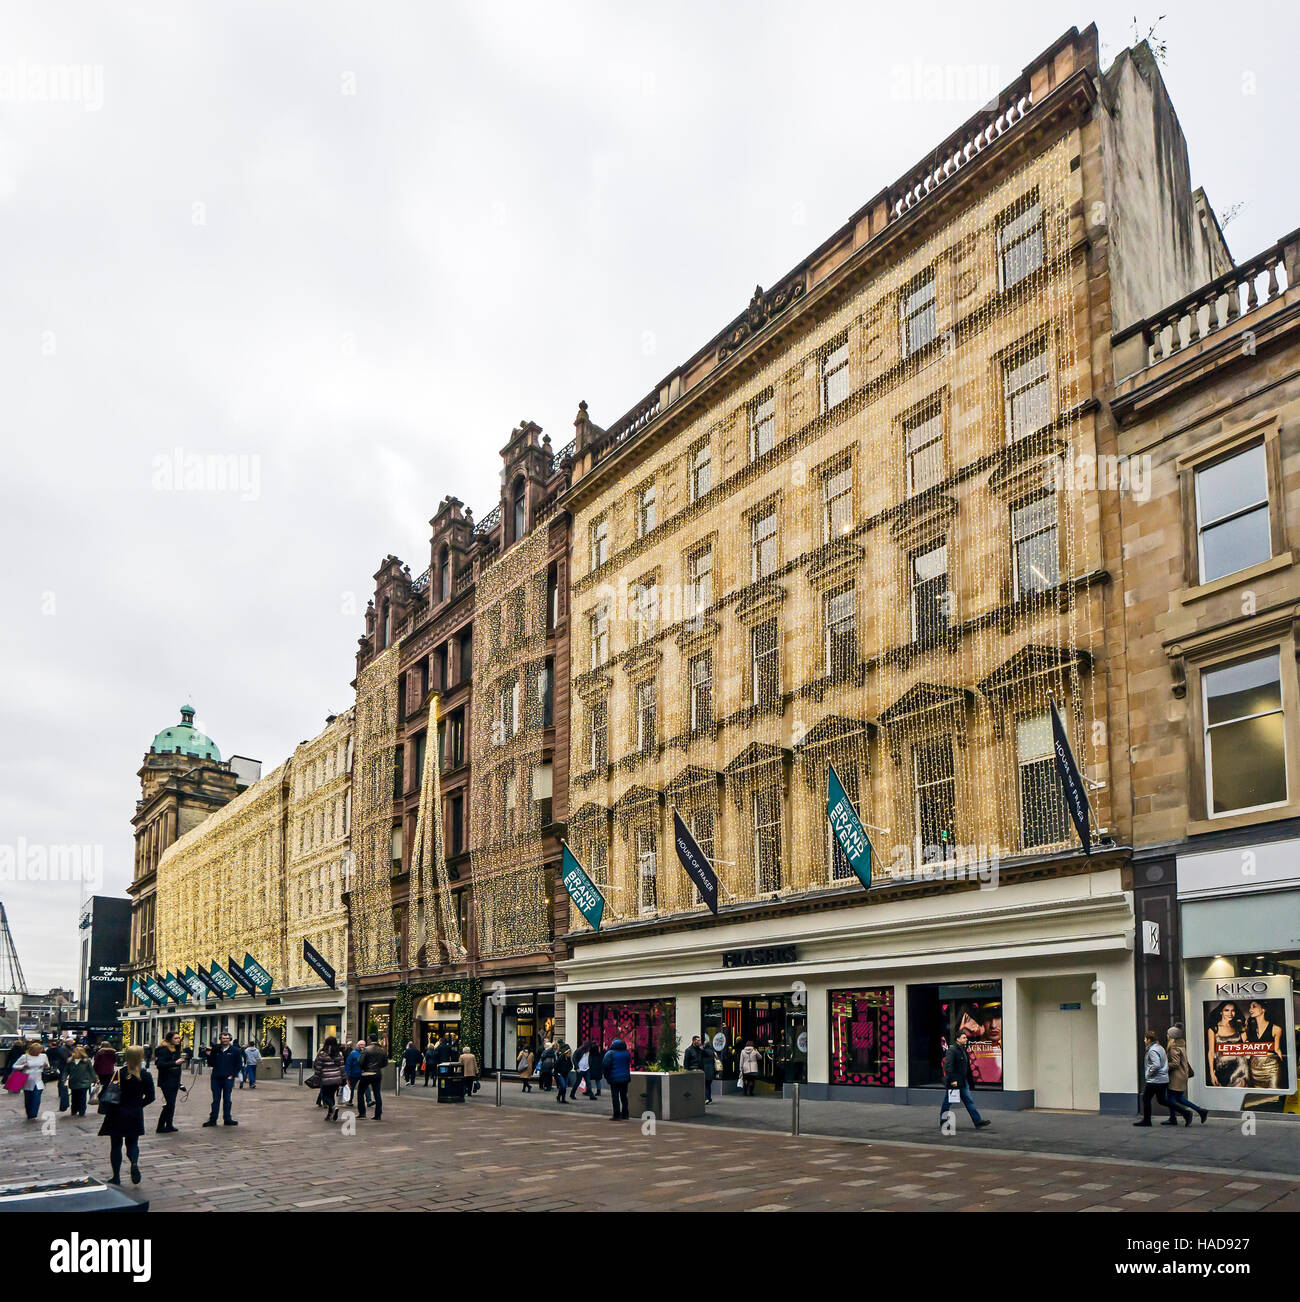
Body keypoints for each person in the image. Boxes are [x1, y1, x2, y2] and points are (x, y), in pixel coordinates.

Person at [99, 1044, 155, 1186]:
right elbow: (151, 1097)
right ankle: (134, 1162)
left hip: (116, 1113)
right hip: (134, 1113)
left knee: (116, 1145)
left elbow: (104, 1093)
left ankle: (116, 1176)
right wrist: (138, 1105)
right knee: (132, 1143)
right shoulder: (145, 1075)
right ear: (141, 1057)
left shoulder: (118, 1074)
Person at [1135, 1028, 1190, 1126]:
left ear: (1148, 1040)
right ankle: (1185, 1113)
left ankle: (1147, 1121)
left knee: (1146, 1098)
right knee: (1162, 1100)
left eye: (1145, 1039)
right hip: (1163, 1079)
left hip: (1155, 1080)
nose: (1144, 1040)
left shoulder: (1152, 1050)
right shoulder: (1160, 1047)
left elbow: (1156, 1065)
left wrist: (1149, 1073)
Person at [940, 1031, 991, 1131]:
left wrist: (970, 1080)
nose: (966, 1039)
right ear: (958, 1039)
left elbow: (966, 1068)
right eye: (964, 1037)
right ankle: (943, 1122)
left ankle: (978, 1121)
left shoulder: (963, 1050)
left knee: (969, 1101)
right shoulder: (952, 1050)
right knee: (947, 1102)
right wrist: (953, 1080)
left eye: (966, 1037)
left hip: (963, 1082)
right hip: (954, 1082)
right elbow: (948, 1066)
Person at [1165, 1024, 1207, 1125]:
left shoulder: (1174, 1047)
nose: (1166, 1035)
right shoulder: (1181, 1044)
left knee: (1170, 1099)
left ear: (1172, 1036)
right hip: (1182, 1074)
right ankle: (1199, 1111)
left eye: (1168, 1034)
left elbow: (1175, 1063)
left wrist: (1164, 1066)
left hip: (1176, 1076)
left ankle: (1180, 1116)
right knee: (1178, 1098)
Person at [202, 1032, 244, 1127]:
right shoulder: (216, 1049)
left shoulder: (235, 1050)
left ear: (230, 1039)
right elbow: (211, 1063)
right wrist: (208, 1055)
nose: (225, 1040)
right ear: (220, 1039)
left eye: (227, 1038)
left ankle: (227, 1118)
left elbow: (238, 1065)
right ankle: (213, 1119)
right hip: (216, 1077)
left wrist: (232, 1075)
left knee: (227, 1099)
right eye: (223, 1038)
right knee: (216, 1100)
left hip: (228, 1078)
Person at [1206, 1002, 1249, 1088]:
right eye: (1227, 1010)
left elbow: (1247, 1046)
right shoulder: (1214, 1028)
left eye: (1233, 1010)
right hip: (1222, 1069)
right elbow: (1211, 1052)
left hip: (1240, 1068)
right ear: (1221, 1012)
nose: (1230, 1013)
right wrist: (1211, 1073)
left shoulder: (1238, 1026)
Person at [1245, 1001, 1285, 1089]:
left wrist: (1284, 1068)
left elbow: (1277, 1049)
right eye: (1250, 1007)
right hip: (1254, 1066)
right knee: (1257, 1097)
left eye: (1254, 1006)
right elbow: (1245, 1048)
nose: (1250, 1009)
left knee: (1274, 1095)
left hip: (1271, 1066)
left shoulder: (1276, 1029)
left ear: (1263, 1009)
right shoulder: (1249, 1028)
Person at [154, 1031, 185, 1134]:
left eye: (179, 1038)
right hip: (166, 1081)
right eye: (176, 1038)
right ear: (170, 1039)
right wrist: (175, 1063)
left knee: (172, 1104)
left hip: (174, 1080)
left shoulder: (176, 1049)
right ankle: (160, 1126)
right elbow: (160, 1064)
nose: (178, 1040)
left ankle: (169, 1124)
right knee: (169, 1104)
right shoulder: (164, 1049)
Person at [11, 1040, 49, 1121]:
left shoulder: (43, 1056)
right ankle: (29, 1113)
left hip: (38, 1079)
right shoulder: (25, 1057)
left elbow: (47, 1065)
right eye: (37, 1051)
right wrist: (23, 1066)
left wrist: (45, 1065)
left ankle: (33, 1114)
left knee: (36, 1097)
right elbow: (14, 1066)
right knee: (28, 1098)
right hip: (27, 1080)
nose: (39, 1053)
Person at [313, 1036, 347, 1121]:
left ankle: (333, 1107)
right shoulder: (338, 1054)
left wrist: (316, 1079)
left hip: (326, 1079)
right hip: (337, 1079)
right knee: (331, 1096)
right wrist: (344, 1079)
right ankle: (330, 1114)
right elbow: (342, 1067)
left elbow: (318, 1067)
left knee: (324, 1096)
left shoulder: (322, 1054)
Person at [358, 1038, 388, 1120]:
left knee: (360, 1092)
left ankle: (362, 1113)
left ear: (370, 1040)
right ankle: (378, 1114)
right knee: (377, 1093)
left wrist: (364, 1068)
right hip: (377, 1074)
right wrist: (378, 1067)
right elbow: (385, 1063)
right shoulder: (382, 1050)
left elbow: (360, 1062)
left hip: (367, 1073)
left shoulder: (366, 1049)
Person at [603, 1038, 631, 1120]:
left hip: (614, 1078)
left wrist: (607, 1076)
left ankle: (616, 1115)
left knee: (615, 1097)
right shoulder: (626, 1053)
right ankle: (625, 1114)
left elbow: (605, 1065)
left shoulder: (610, 1053)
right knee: (624, 1096)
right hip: (625, 1078)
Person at [67, 1045, 96, 1116]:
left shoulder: (87, 1061)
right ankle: (74, 1110)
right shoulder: (70, 1061)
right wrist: (63, 1079)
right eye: (74, 1052)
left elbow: (91, 1071)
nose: (74, 1053)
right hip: (73, 1081)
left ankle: (82, 1111)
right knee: (74, 1097)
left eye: (76, 1052)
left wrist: (95, 1079)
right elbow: (66, 1071)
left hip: (84, 1082)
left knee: (82, 1097)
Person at [49, 1032, 74, 1111]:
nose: (71, 1043)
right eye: (70, 1041)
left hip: (65, 1067)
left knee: (63, 1082)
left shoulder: (69, 1048)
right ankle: (63, 1097)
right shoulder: (63, 1049)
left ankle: (64, 1100)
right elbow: (65, 1059)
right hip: (64, 1067)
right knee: (63, 1083)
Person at [345, 1040, 365, 1109]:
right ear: (358, 1045)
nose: (363, 1046)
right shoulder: (353, 1053)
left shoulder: (365, 1052)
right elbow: (348, 1063)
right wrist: (347, 1073)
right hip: (354, 1073)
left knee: (366, 1087)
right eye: (361, 1045)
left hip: (362, 1073)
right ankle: (350, 1100)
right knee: (351, 1087)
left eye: (364, 1045)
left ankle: (369, 1101)